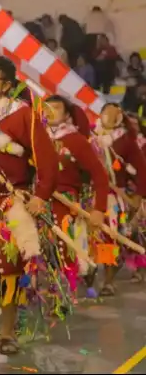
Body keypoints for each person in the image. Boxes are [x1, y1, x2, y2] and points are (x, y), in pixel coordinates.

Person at [0, 56, 60, 355]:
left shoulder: (22, 115)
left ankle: (7, 331)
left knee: (9, 271)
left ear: (7, 84)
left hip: (8, 203)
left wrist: (41, 195)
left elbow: (47, 160)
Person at [43, 95, 109, 292]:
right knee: (43, 252)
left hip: (66, 203)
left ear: (66, 114)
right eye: (47, 107)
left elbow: (100, 175)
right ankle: (53, 291)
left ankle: (62, 297)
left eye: (56, 107)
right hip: (38, 201)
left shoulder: (76, 140)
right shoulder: (36, 136)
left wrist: (99, 209)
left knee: (64, 250)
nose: (51, 111)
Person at [92, 103, 146, 293]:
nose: (109, 116)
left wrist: (138, 195)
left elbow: (141, 169)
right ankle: (88, 273)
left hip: (113, 198)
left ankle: (108, 280)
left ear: (120, 118)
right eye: (106, 112)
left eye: (114, 114)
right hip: (88, 195)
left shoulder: (126, 140)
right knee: (87, 238)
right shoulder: (90, 136)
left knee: (110, 237)